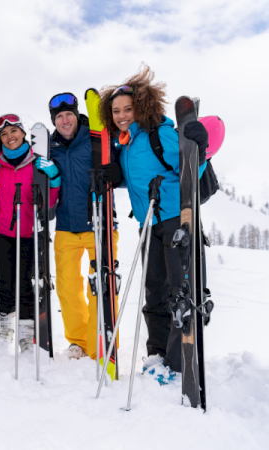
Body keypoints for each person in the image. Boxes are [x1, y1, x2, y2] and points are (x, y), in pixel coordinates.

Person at [98, 65, 208, 377]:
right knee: (155, 290)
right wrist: (115, 177)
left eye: (127, 109)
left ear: (142, 106)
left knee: (179, 291)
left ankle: (176, 361)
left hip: (176, 219)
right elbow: (140, 176)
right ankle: (156, 355)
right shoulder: (127, 143)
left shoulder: (159, 134)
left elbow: (191, 171)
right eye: (116, 111)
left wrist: (199, 153)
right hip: (149, 224)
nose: (121, 115)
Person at [48, 92, 121, 360]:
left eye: (68, 115)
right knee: (68, 287)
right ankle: (78, 341)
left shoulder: (96, 139)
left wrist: (116, 173)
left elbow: (121, 168)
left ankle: (100, 338)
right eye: (59, 117)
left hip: (99, 223)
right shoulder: (50, 147)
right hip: (65, 225)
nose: (64, 120)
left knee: (101, 285)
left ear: (77, 115)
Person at [0, 114, 60, 351]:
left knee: (26, 282)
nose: (10, 137)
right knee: (5, 280)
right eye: (4, 134)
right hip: (1, 230)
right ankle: (5, 328)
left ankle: (26, 331)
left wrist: (55, 178)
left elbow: (49, 203)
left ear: (22, 133)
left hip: (30, 232)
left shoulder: (36, 161)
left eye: (14, 131)